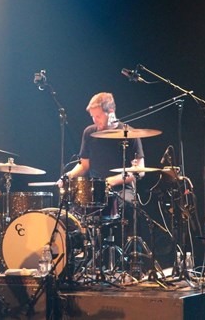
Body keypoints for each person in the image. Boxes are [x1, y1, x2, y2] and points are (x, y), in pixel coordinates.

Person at [59, 92, 145, 255]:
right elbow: (84, 165)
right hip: (95, 191)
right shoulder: (89, 132)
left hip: (122, 190)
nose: (94, 120)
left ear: (110, 111)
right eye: (92, 116)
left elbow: (140, 169)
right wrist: (67, 177)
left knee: (129, 205)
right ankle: (86, 257)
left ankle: (134, 258)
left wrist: (113, 180)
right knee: (72, 208)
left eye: (98, 116)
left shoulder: (130, 134)